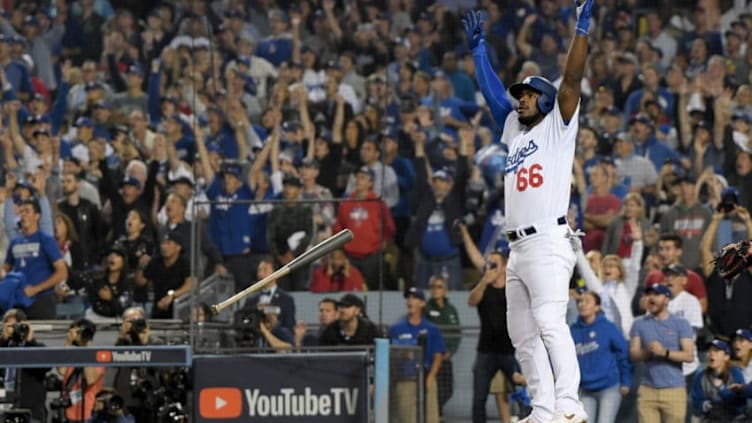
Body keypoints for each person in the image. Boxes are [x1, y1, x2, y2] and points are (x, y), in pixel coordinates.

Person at [464, 0, 592, 420]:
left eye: (529, 94)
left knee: (551, 323)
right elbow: (492, 95)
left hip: (549, 240)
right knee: (523, 336)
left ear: (547, 100)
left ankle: (568, 403)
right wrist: (479, 52)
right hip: (518, 249)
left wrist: (581, 28)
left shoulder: (559, 122)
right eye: (520, 93)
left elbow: (572, 78)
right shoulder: (515, 131)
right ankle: (542, 408)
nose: (520, 99)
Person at [468, 251, 526, 423]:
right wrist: (484, 281)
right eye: (488, 264)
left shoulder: (514, 287)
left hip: (510, 350)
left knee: (524, 393)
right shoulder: (483, 286)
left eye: (494, 264)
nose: (490, 267)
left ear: (504, 266)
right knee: (479, 398)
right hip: (486, 351)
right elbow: (471, 301)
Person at [629, 283, 695, 423]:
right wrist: (648, 352)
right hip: (647, 389)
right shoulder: (639, 324)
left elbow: (689, 356)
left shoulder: (681, 323)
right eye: (649, 294)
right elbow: (633, 355)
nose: (651, 298)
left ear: (666, 299)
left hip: (674, 390)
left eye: (656, 295)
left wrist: (663, 352)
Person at [570, 291, 632, 423]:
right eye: (580, 301)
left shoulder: (608, 327)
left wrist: (625, 381)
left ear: (597, 307)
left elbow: (623, 354)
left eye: (587, 301)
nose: (582, 304)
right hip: (585, 388)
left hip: (609, 386)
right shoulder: (572, 330)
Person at [389, 287, 447, 423]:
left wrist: (430, 378)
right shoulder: (396, 329)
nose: (410, 301)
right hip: (405, 380)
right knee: (406, 418)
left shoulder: (432, 329)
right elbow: (390, 354)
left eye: (414, 298)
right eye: (408, 298)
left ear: (422, 303)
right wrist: (401, 354)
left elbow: (438, 355)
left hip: (426, 378)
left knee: (431, 417)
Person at [3, 198, 67, 319]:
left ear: (37, 216)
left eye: (27, 211)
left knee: (42, 337)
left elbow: (62, 272)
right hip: (19, 300)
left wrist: (36, 289)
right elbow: (5, 269)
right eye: (21, 212)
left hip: (42, 300)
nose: (23, 215)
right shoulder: (15, 242)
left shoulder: (46, 240)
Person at [0, 309, 49, 422]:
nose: (14, 329)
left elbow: (45, 367)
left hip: (32, 413)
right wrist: (3, 341)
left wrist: (30, 341)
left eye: (18, 325)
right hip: (4, 411)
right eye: (10, 326)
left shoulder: (37, 348)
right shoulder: (3, 349)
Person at [424, 274, 460, 418]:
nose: (435, 290)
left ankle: (437, 411)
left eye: (439, 287)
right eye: (433, 287)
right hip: (431, 359)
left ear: (445, 290)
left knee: (447, 389)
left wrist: (450, 351)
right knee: (432, 387)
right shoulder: (426, 309)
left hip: (445, 358)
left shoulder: (451, 309)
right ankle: (436, 415)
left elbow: (456, 332)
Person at [135, 231, 192, 319]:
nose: (164, 246)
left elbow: (190, 285)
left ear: (178, 247)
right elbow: (141, 282)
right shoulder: (156, 262)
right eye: (163, 243)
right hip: (158, 307)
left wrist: (172, 296)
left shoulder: (184, 263)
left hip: (180, 308)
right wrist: (140, 267)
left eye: (168, 243)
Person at [690, 339, 747, 422]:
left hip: (733, 417)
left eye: (716, 351)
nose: (711, 353)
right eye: (709, 351)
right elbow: (696, 399)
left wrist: (722, 389)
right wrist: (705, 405)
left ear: (726, 357)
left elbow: (740, 403)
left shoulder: (735, 373)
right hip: (710, 417)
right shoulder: (701, 375)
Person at [60, 318, 106, 423]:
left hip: (88, 412)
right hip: (69, 410)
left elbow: (90, 379)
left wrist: (85, 347)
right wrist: (68, 343)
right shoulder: (71, 355)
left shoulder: (97, 357)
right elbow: (62, 371)